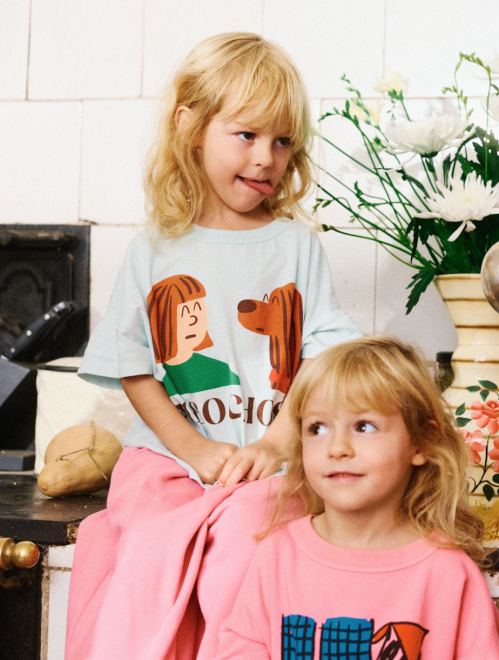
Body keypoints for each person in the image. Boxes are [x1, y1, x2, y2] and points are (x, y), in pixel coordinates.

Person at [66, 33, 362, 660]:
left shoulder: (296, 246)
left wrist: (275, 445)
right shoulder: (155, 247)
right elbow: (134, 368)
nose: (266, 158)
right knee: (148, 546)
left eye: (282, 141)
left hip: (272, 456)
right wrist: (194, 449)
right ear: (191, 127)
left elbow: (320, 362)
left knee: (248, 544)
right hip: (166, 456)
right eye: (247, 135)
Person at [215, 336, 499, 660]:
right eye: (317, 428)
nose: (337, 448)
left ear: (421, 442)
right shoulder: (276, 554)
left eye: (364, 426)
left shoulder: (447, 572)